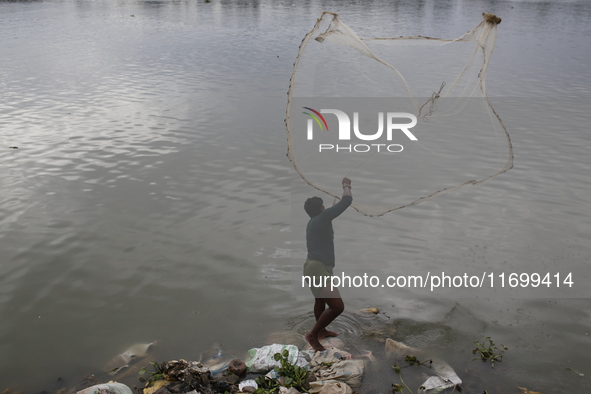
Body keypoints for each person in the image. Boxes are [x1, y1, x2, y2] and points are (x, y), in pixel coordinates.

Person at [303, 177, 352, 351]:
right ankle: (312, 334)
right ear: (321, 209)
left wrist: (329, 210)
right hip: (318, 268)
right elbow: (347, 200)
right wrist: (346, 185)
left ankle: (322, 331)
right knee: (338, 306)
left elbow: (326, 216)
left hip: (311, 266)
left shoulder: (314, 221)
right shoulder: (322, 218)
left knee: (320, 301)